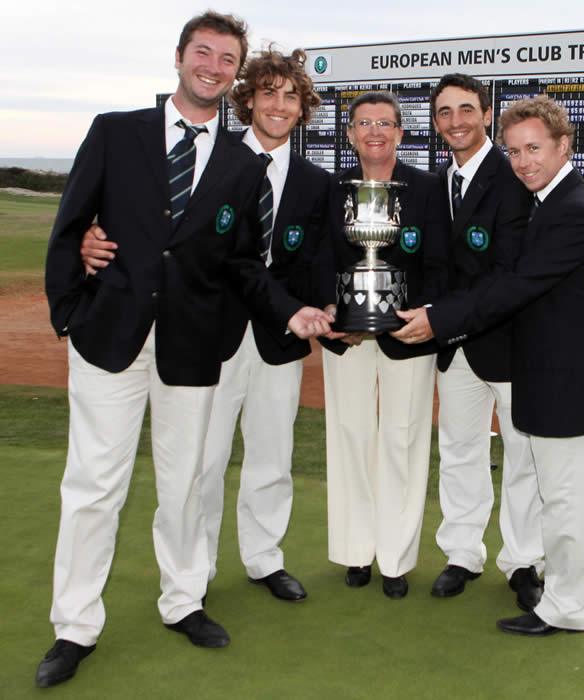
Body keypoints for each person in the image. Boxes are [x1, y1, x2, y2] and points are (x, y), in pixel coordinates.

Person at [37, 11, 330, 688]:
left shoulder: (240, 163)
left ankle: (184, 600)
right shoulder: (116, 132)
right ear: (178, 57)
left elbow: (244, 263)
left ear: (234, 74)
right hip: (110, 337)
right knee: (93, 487)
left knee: (186, 484)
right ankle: (74, 626)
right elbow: (69, 226)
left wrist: (292, 311)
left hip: (194, 348)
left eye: (227, 59)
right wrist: (71, 309)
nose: (213, 67)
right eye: (203, 52)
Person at [82, 48, 329, 603]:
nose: (279, 105)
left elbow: (315, 262)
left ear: (303, 109)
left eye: (291, 96)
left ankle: (264, 558)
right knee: (202, 461)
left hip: (280, 335)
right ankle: (197, 569)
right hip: (210, 332)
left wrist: (329, 307)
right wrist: (86, 236)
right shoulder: (214, 160)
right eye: (268, 92)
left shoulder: (316, 181)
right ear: (247, 100)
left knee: (272, 457)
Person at [394, 94, 584, 634]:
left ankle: (566, 607)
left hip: (565, 377)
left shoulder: (571, 211)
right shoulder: (553, 201)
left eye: (534, 149)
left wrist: (437, 318)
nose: (523, 162)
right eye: (515, 151)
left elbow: (517, 286)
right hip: (561, 370)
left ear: (564, 145)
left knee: (563, 494)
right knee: (578, 483)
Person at [316, 91, 450, 599]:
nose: (374, 131)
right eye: (364, 123)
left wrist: (415, 314)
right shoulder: (331, 190)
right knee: (350, 434)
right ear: (350, 134)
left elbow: (440, 262)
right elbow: (317, 259)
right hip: (346, 334)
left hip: (408, 333)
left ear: (400, 133)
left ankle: (395, 558)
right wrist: (334, 312)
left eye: (385, 123)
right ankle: (356, 550)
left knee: (403, 438)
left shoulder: (428, 188)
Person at [428, 74, 544, 611]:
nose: (456, 121)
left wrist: (438, 318)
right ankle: (462, 553)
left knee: (522, 454)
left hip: (509, 341)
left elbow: (508, 273)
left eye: (466, 109)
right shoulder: (436, 184)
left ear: (486, 113)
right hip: (454, 346)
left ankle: (523, 560)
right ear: (435, 121)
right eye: (445, 112)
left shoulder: (515, 178)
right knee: (459, 450)